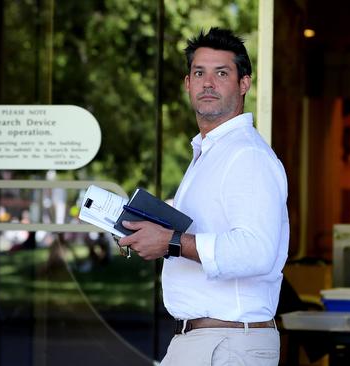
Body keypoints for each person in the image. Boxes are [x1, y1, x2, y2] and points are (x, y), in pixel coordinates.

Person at [118, 27, 289, 366]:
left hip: (229, 343)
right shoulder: (210, 153)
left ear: (244, 84)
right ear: (187, 83)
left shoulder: (247, 155)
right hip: (205, 342)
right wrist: (148, 234)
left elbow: (257, 252)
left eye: (221, 73)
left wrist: (170, 241)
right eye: (199, 73)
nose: (207, 82)